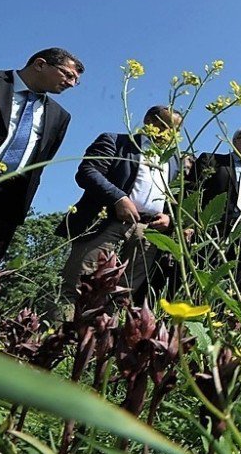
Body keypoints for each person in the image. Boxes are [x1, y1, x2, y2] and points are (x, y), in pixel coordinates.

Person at [56, 106, 182, 315]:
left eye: (174, 129)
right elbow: (88, 172)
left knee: (124, 295)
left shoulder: (174, 160)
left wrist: (169, 218)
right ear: (148, 121)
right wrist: (119, 198)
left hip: (148, 232)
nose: (167, 133)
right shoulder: (116, 141)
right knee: (80, 283)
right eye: (162, 126)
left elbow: (174, 195)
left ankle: (104, 341)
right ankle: (56, 339)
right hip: (107, 221)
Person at [0, 48, 82, 266]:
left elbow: (41, 162)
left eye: (75, 81)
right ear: (40, 64)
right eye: (68, 75)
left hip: (7, 200)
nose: (71, 84)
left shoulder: (59, 116)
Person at [187, 126, 241, 293]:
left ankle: (218, 316)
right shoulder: (211, 161)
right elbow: (191, 193)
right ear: (235, 141)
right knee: (199, 274)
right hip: (210, 230)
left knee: (231, 284)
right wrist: (188, 224)